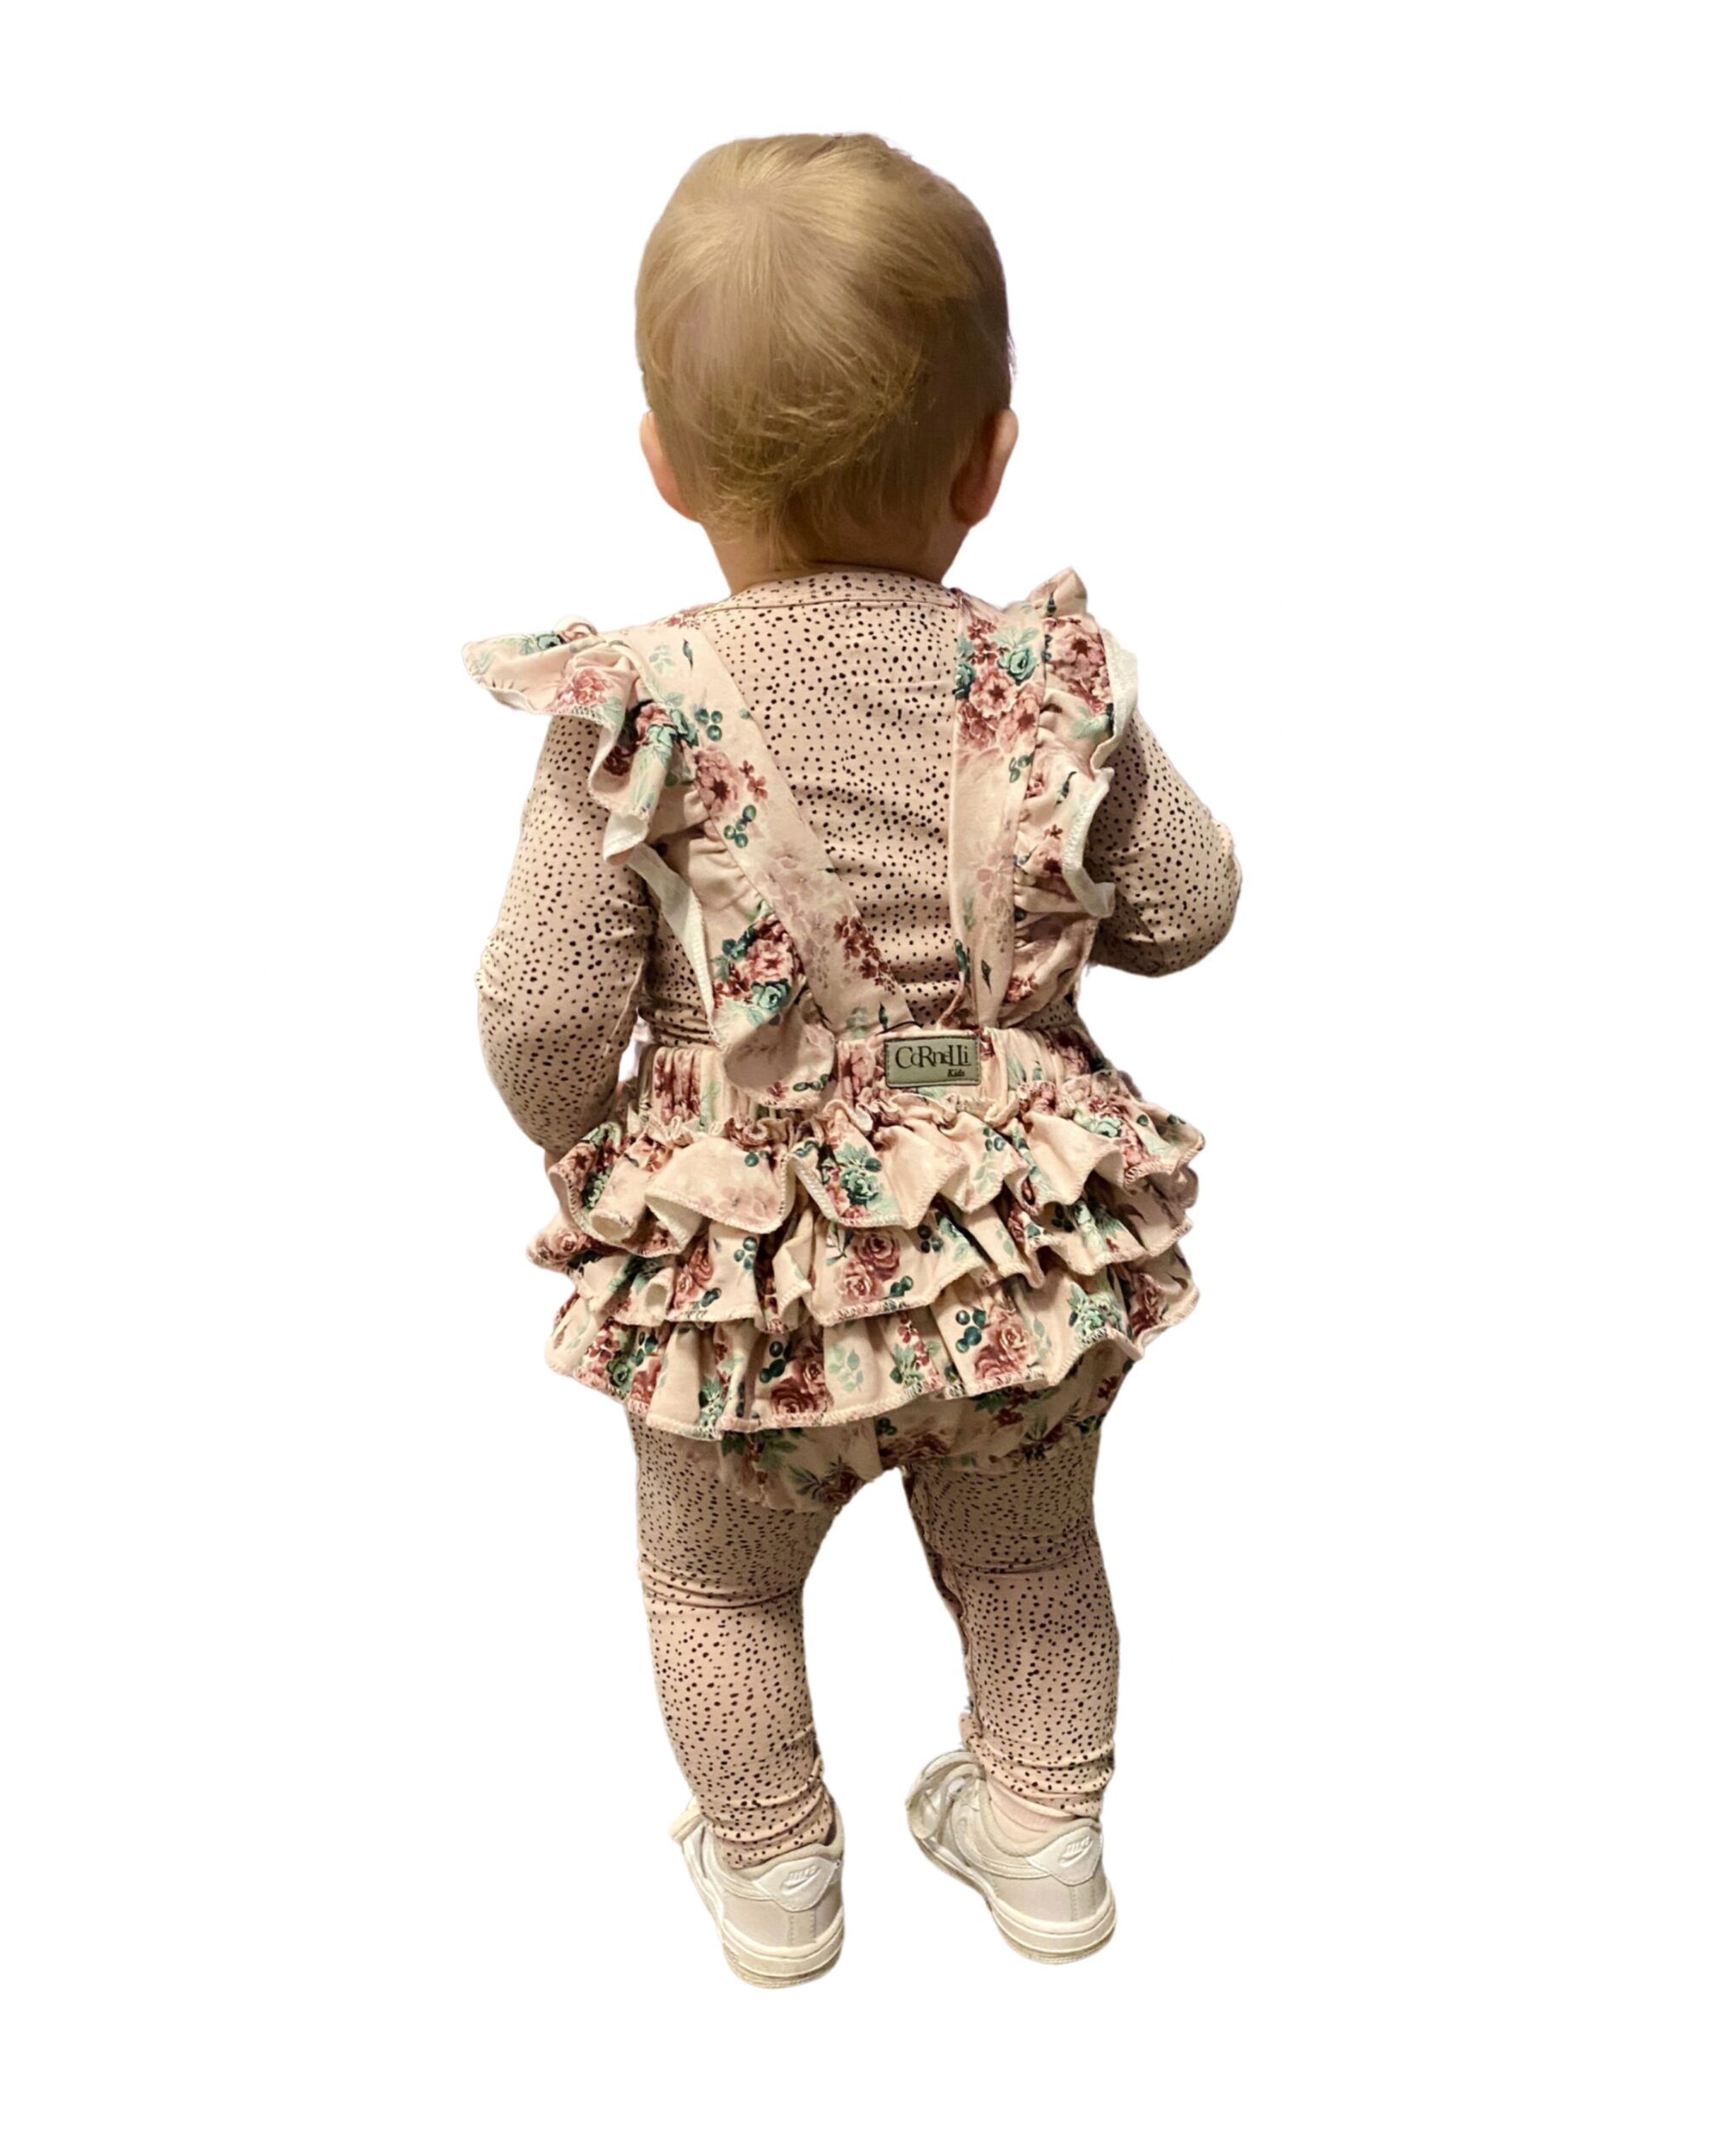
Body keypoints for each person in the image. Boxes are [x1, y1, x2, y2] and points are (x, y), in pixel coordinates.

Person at [463, 135, 1240, 1986]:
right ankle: (1044, 1836)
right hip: (1013, 1244)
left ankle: (772, 1870)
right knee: (1031, 1555)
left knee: (715, 1579)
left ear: (662, 465)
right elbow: (1191, 902)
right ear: (988, 461)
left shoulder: (633, 706)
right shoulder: (1048, 679)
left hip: (745, 1264)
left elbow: (543, 1006)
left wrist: (590, 1146)